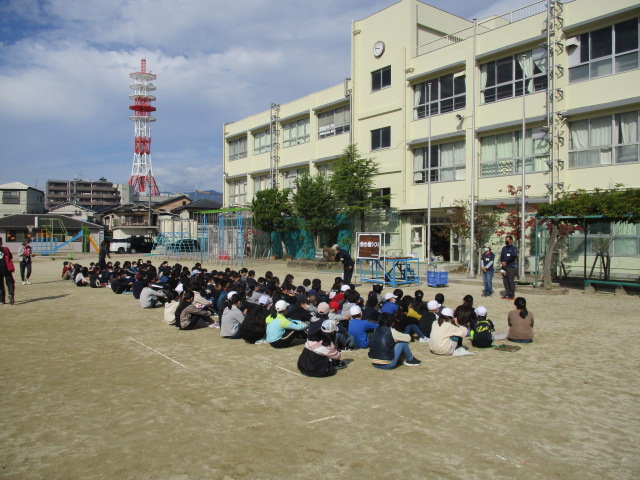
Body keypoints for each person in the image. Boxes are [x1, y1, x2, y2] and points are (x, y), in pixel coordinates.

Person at [0, 237, 16, 305]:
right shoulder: (5, 249)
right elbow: (11, 257)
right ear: (1, 242)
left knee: (0, 285)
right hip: (6, 268)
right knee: (10, 283)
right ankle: (11, 294)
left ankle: (2, 300)